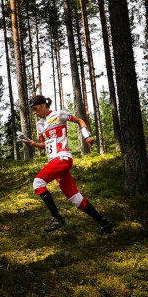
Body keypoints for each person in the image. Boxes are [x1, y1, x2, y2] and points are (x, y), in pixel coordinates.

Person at [18, 94, 114, 234]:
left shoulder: (59, 114)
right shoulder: (40, 124)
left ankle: (57, 218)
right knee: (76, 200)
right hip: (54, 162)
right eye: (33, 110)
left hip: (63, 158)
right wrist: (32, 143)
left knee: (38, 183)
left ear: (44, 105)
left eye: (36, 109)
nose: (35, 112)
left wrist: (87, 136)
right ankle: (104, 223)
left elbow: (79, 120)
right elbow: (45, 145)